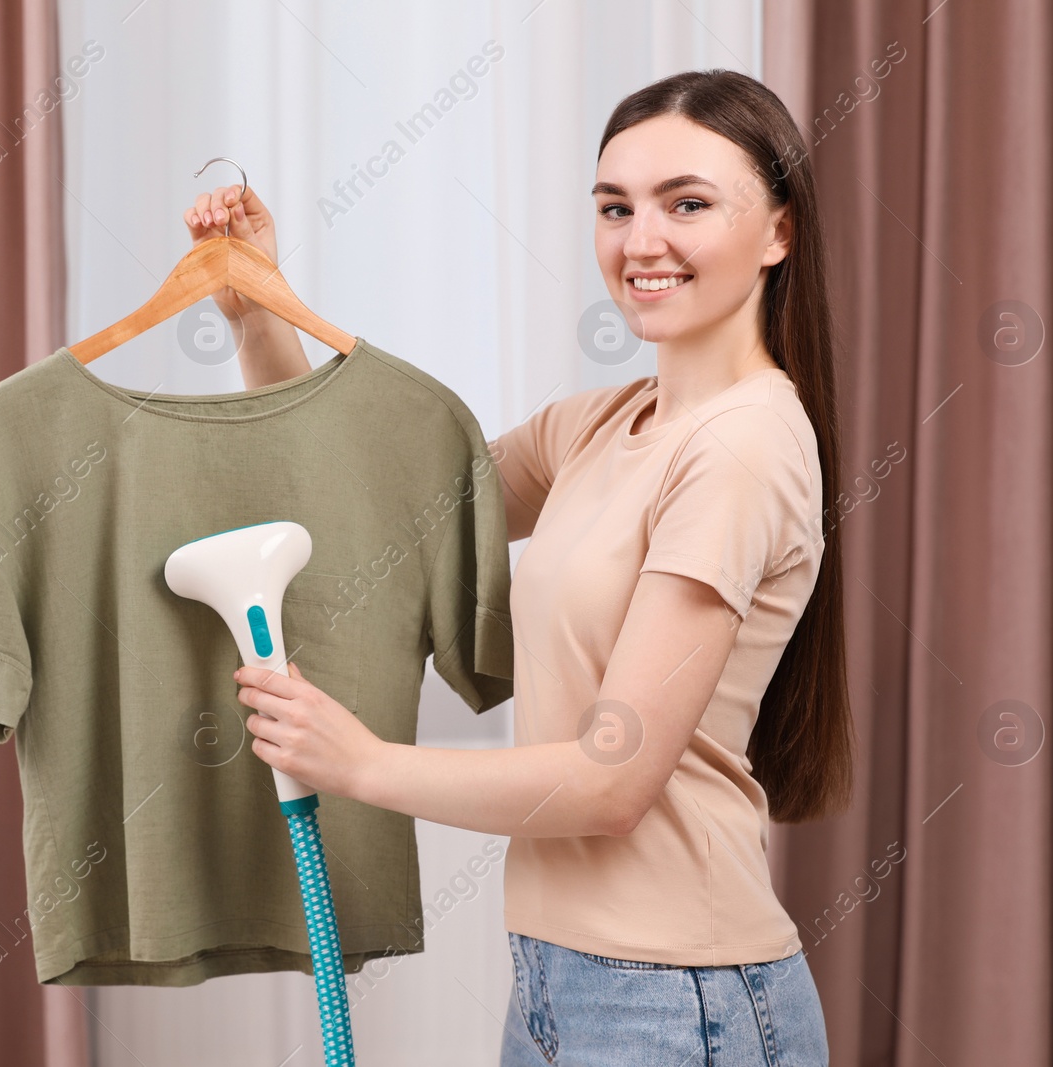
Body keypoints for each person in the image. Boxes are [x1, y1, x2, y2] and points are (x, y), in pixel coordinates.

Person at [184, 69, 851, 1066]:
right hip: (562, 981)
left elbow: (611, 781)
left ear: (778, 232)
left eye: (687, 204)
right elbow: (366, 521)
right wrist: (255, 313)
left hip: (676, 1000)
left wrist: (360, 762)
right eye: (614, 207)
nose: (641, 241)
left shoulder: (742, 447)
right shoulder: (600, 424)